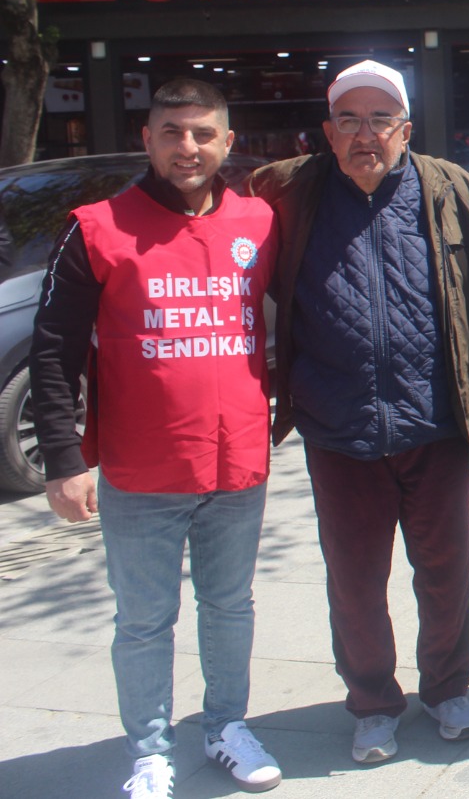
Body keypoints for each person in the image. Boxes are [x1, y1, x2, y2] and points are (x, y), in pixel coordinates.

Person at [32, 78, 282, 798]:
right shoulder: (96, 227)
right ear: (147, 139)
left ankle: (227, 727)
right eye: (172, 131)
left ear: (228, 142)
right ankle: (149, 751)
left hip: (237, 461)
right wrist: (63, 460)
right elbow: (53, 350)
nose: (187, 146)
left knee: (230, 608)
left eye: (203, 133)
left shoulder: (260, 221)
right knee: (144, 621)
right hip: (142, 470)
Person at [249, 60, 469, 764]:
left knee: (446, 573)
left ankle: (447, 687)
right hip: (338, 428)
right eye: (349, 120)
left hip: (435, 424)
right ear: (327, 133)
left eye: (380, 120)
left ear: (405, 130)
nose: (365, 135)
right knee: (355, 582)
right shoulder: (286, 193)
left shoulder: (454, 190)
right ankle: (373, 702)